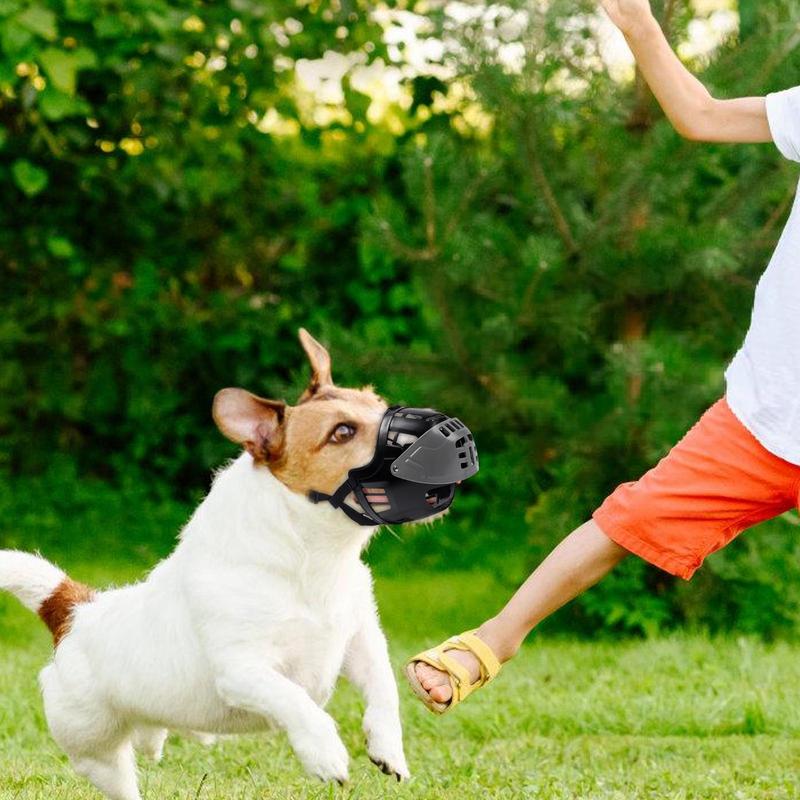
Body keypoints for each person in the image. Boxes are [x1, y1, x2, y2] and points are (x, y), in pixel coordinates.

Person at [405, 0, 800, 714]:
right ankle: (492, 641)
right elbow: (702, 117)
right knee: (628, 520)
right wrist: (642, 29)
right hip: (770, 414)